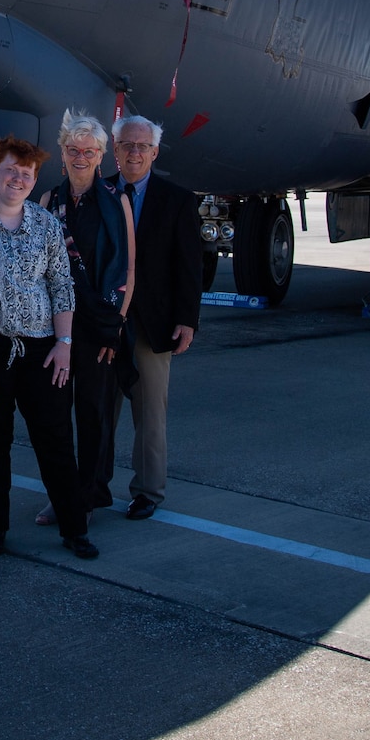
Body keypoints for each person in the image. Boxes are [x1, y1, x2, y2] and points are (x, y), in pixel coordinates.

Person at [0, 135, 91, 558]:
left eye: (26, 174)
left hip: (43, 347)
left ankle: (74, 527)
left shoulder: (45, 224)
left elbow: (62, 285)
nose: (17, 179)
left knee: (55, 437)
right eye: (10, 170)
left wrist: (64, 342)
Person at [40, 110, 134, 533]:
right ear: (62, 152)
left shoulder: (118, 202)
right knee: (56, 415)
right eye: (73, 149)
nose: (80, 156)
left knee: (94, 413)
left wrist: (115, 328)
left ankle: (92, 493)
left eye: (89, 150)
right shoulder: (47, 202)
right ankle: (62, 493)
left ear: (101, 156)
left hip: (99, 326)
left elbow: (126, 270)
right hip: (58, 327)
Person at [109, 115, 205, 520]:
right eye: (127, 145)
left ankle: (148, 491)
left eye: (141, 146)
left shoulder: (178, 200)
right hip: (105, 323)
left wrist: (187, 319)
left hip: (153, 322)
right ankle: (91, 487)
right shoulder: (98, 194)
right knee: (98, 411)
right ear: (115, 150)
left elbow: (190, 265)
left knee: (150, 413)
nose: (134, 152)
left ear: (154, 152)